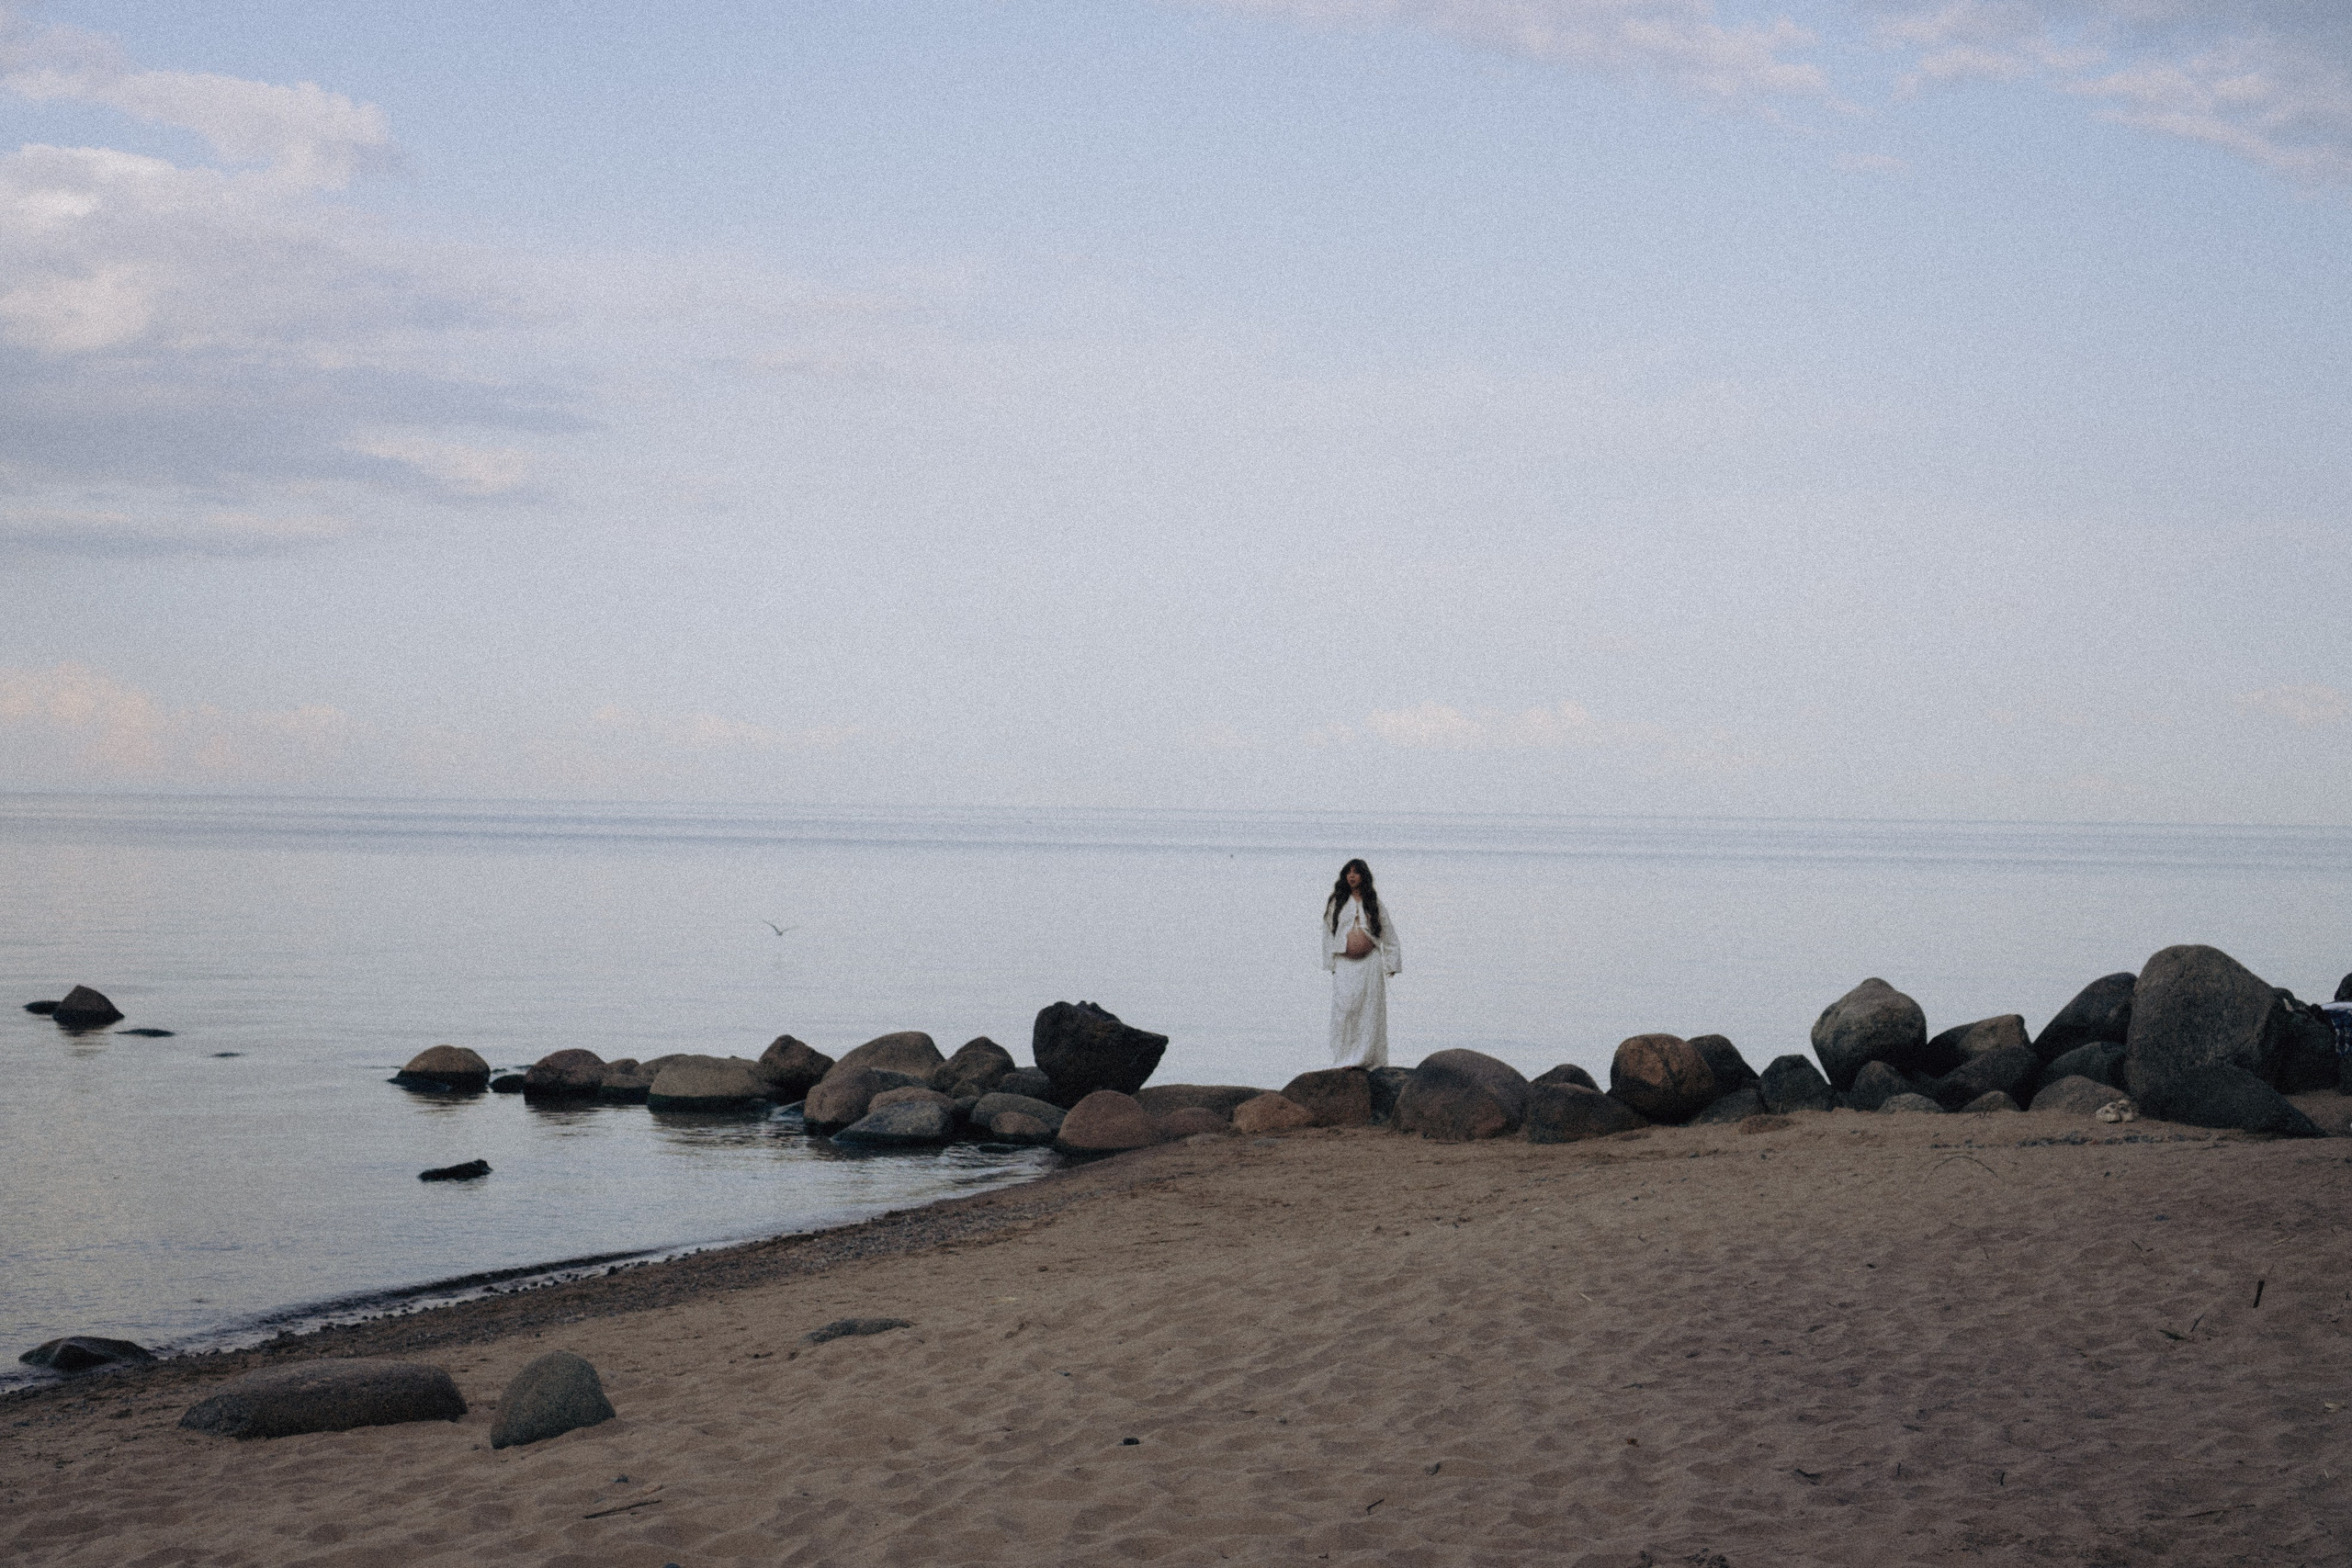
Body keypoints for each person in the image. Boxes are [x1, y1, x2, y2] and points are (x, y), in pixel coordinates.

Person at [1322, 858, 1401, 1068]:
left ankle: (1367, 1059)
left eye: (1356, 872)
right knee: (1345, 1010)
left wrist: (1392, 963)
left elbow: (1388, 932)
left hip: (1370, 964)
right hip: (1345, 964)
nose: (1352, 876)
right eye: (1348, 872)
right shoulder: (1337, 902)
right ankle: (1345, 1058)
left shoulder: (1373, 902)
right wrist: (1330, 963)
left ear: (1363, 876)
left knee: (1369, 1011)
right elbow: (1328, 933)